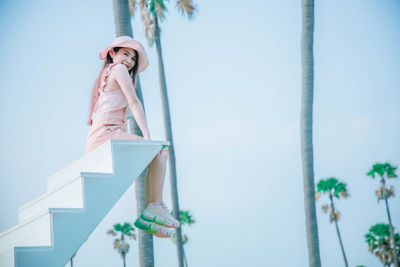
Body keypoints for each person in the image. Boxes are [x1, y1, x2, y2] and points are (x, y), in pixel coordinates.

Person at [85, 36, 180, 238]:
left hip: (101, 137)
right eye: (125, 54)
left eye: (133, 58)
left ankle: (153, 210)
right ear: (113, 53)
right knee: (159, 151)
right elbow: (134, 102)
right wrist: (147, 137)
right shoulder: (118, 70)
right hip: (105, 136)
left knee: (153, 155)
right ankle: (153, 207)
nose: (129, 61)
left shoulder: (109, 74)